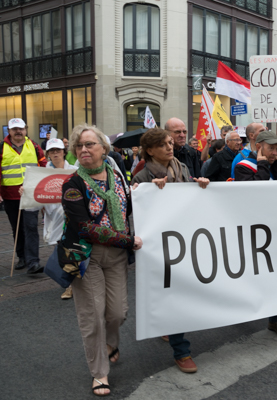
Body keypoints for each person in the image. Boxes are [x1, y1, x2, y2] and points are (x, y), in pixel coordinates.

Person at [60, 124, 143, 396]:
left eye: (90, 144)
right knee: (92, 316)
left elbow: (130, 206)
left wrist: (149, 190)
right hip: (87, 257)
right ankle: (99, 373)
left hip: (117, 255)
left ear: (104, 149)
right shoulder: (72, 185)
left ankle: (111, 343)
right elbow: (84, 228)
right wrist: (128, 241)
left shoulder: (116, 176)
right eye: (79, 146)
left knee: (118, 312)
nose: (84, 149)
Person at [131, 128, 209, 374]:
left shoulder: (182, 168)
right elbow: (134, 209)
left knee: (180, 293)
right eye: (163, 144)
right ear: (150, 150)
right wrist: (149, 193)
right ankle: (181, 351)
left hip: (185, 240)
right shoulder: (142, 176)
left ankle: (168, 325)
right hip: (159, 247)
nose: (169, 147)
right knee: (173, 294)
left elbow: (191, 201)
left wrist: (202, 186)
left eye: (169, 143)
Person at [233, 130, 277, 336]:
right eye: (271, 148)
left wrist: (275, 162)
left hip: (274, 225)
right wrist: (264, 164)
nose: (276, 152)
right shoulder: (242, 166)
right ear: (259, 147)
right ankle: (240, 306)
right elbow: (254, 193)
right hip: (252, 229)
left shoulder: (273, 162)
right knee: (250, 273)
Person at [0, 118, 46, 274]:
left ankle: (33, 262)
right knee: (17, 227)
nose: (18, 131)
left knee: (31, 227)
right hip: (10, 196)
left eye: (21, 128)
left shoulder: (34, 146)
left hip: (31, 193)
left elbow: (44, 166)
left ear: (25, 130)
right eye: (14, 129)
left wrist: (43, 188)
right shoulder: (2, 148)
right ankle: (22, 257)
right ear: (9, 131)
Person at [43, 138, 78, 299]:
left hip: (73, 215)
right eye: (52, 151)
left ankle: (72, 285)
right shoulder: (42, 173)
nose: (55, 153)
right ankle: (69, 282)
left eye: (58, 150)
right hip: (55, 217)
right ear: (48, 154)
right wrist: (26, 192)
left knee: (73, 248)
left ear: (64, 152)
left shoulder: (74, 170)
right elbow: (35, 202)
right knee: (60, 251)